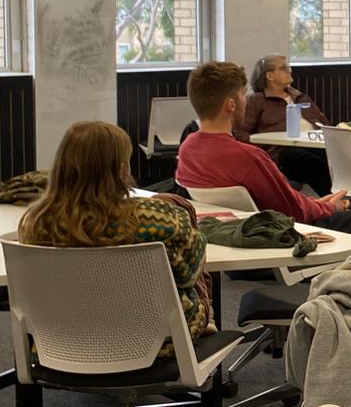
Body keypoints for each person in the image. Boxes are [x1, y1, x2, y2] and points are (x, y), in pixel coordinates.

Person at [177, 61, 351, 261]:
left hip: (245, 229)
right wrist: (328, 207)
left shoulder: (188, 148)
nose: (246, 101)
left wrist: (316, 202)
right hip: (289, 233)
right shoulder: (248, 157)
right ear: (230, 105)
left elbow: (289, 202)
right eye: (242, 95)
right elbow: (294, 212)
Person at [19, 121, 212, 355]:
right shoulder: (159, 218)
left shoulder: (37, 223)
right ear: (121, 169)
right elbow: (191, 274)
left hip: (61, 343)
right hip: (157, 342)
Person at [234, 54, 332, 197]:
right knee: (311, 163)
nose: (289, 71)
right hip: (281, 152)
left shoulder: (300, 96)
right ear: (270, 76)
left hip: (314, 143)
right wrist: (260, 150)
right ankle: (337, 201)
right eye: (283, 68)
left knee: (338, 157)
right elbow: (240, 132)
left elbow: (324, 123)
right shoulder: (257, 101)